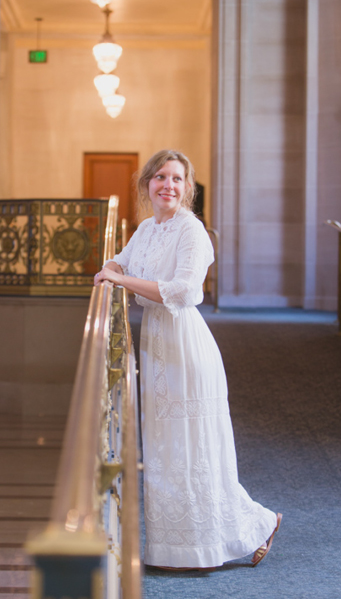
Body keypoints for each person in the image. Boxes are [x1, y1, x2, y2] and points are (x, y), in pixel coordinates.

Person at [94, 149, 281, 570]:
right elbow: (120, 259)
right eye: (160, 177)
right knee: (165, 449)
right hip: (157, 347)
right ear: (147, 185)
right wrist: (110, 267)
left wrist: (120, 279)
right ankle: (174, 549)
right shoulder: (146, 228)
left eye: (177, 179)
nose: (168, 186)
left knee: (196, 450)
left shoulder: (192, 231)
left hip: (187, 348)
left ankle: (252, 526)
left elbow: (185, 291)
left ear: (187, 188)